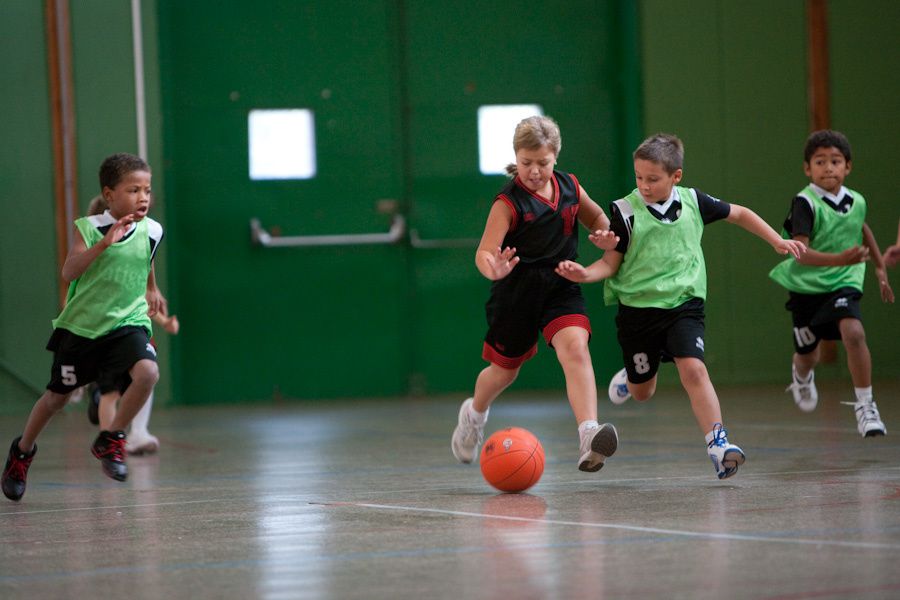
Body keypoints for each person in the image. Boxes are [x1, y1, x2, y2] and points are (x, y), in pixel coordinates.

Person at [556, 133, 805, 480]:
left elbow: (740, 213)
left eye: (653, 179)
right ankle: (633, 376)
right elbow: (610, 263)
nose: (644, 185)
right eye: (639, 177)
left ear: (676, 176)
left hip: (684, 306)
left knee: (694, 370)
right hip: (638, 312)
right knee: (644, 393)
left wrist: (777, 240)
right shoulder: (625, 212)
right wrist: (585, 273)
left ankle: (719, 446)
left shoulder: (694, 202)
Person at [451, 115, 620, 474]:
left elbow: (600, 220)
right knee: (503, 373)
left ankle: (588, 432)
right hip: (517, 291)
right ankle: (474, 414)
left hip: (561, 281)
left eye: (542, 163)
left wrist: (607, 235)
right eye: (526, 163)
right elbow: (484, 252)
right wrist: (491, 267)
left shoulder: (571, 187)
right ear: (517, 156)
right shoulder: (508, 203)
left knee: (575, 347)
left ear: (556, 156)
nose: (534, 171)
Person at [2, 153, 164, 501]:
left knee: (148, 372)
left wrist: (152, 287)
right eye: (133, 190)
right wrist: (105, 244)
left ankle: (112, 438)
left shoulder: (152, 230)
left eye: (147, 190)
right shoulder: (89, 229)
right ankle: (21, 452)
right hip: (83, 329)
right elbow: (69, 272)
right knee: (56, 399)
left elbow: (144, 259)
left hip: (128, 322)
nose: (143, 197)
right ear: (109, 195)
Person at [769, 130, 894, 436]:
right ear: (807, 168)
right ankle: (801, 376)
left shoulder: (857, 201)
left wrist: (880, 270)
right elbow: (799, 253)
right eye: (820, 161)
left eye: (835, 161)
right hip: (807, 286)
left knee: (853, 331)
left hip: (843, 281)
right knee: (809, 355)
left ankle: (866, 406)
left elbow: (861, 228)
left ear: (847, 167)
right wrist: (841, 259)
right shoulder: (805, 202)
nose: (828, 167)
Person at [81, 195, 178, 455]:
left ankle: (137, 433)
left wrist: (164, 320)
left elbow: (145, 298)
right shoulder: (94, 257)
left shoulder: (142, 249)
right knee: (108, 393)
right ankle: (109, 439)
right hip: (104, 334)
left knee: (146, 376)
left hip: (134, 332)